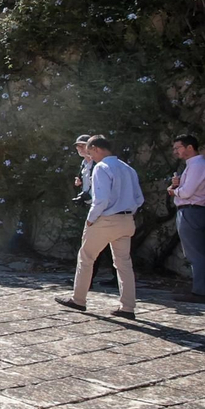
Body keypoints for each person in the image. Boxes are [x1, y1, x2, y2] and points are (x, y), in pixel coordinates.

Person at [56, 136, 142, 319]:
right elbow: (139, 198)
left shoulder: (101, 167)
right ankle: (128, 307)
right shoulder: (128, 169)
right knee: (124, 263)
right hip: (126, 220)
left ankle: (78, 299)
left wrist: (90, 219)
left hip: (105, 219)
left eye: (90, 152)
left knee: (86, 257)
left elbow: (101, 199)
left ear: (95, 148)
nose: (90, 157)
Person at [169, 134, 205, 304]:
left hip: (191, 211)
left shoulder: (197, 165)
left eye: (178, 148)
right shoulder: (195, 165)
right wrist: (177, 185)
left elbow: (187, 192)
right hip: (194, 211)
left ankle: (201, 292)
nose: (175, 152)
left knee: (195, 254)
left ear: (189, 147)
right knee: (200, 253)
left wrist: (174, 191)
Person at [73, 135, 119, 287]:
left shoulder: (99, 165)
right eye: (78, 146)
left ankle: (87, 282)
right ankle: (90, 280)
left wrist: (92, 217)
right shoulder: (84, 164)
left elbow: (101, 191)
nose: (80, 149)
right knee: (101, 247)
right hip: (91, 206)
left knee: (94, 247)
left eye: (82, 146)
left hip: (100, 209)